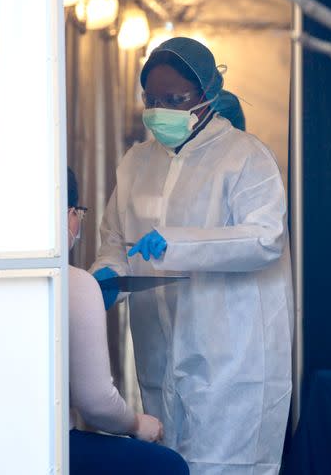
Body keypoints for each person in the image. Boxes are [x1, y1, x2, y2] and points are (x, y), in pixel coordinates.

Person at [91, 38, 293, 475]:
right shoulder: (136, 163)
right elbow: (116, 237)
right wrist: (107, 272)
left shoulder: (244, 157)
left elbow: (265, 238)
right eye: (152, 98)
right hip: (159, 350)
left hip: (230, 356)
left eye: (175, 99)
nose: (160, 108)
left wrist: (178, 244)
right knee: (169, 464)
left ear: (206, 95)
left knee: (225, 465)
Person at [66, 167, 189, 475]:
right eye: (78, 213)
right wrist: (138, 424)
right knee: (168, 467)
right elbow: (95, 403)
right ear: (68, 213)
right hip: (47, 448)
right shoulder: (74, 284)